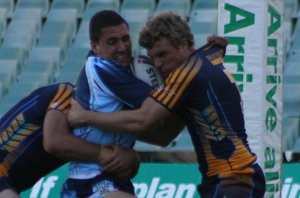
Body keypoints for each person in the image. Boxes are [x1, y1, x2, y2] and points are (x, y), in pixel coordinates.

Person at [67, 12, 266, 198]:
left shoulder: (185, 75)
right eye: (153, 57)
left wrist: (85, 117)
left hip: (233, 177)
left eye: (163, 54)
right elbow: (164, 135)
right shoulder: (207, 56)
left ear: (184, 45)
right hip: (226, 177)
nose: (158, 64)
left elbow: (143, 119)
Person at [0, 82, 140, 198]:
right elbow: (54, 142)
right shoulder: (66, 94)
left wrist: (132, 158)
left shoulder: (93, 118)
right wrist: (108, 155)